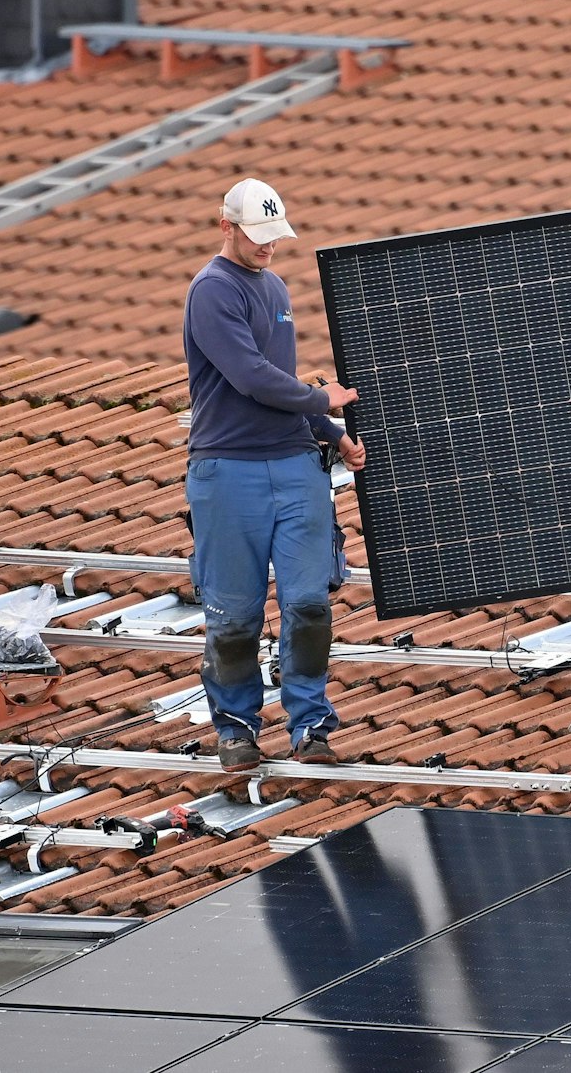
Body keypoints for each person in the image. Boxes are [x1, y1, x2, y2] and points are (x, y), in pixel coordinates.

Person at [183, 178, 366, 770]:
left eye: (274, 237)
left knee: (309, 605)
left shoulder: (277, 287)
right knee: (233, 614)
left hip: (293, 470)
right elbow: (251, 377)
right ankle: (236, 729)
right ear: (225, 227)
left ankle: (310, 725)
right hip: (229, 471)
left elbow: (279, 388)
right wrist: (325, 400)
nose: (268, 247)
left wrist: (332, 436)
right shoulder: (212, 291)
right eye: (257, 236)